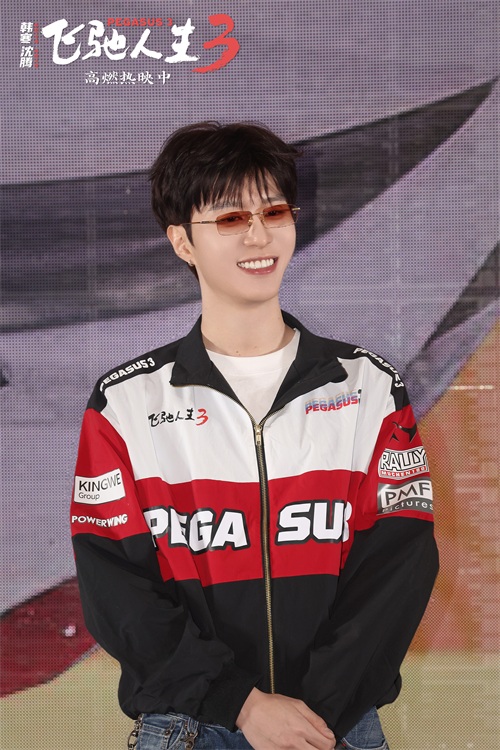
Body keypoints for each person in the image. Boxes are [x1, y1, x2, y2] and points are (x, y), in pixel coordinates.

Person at [71, 121, 439, 750]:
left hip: (333, 727)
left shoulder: (370, 388)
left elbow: (399, 566)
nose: (259, 235)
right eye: (230, 218)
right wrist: (240, 705)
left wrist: (313, 715)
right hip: (190, 726)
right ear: (182, 241)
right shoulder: (125, 403)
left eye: (274, 211)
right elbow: (116, 590)